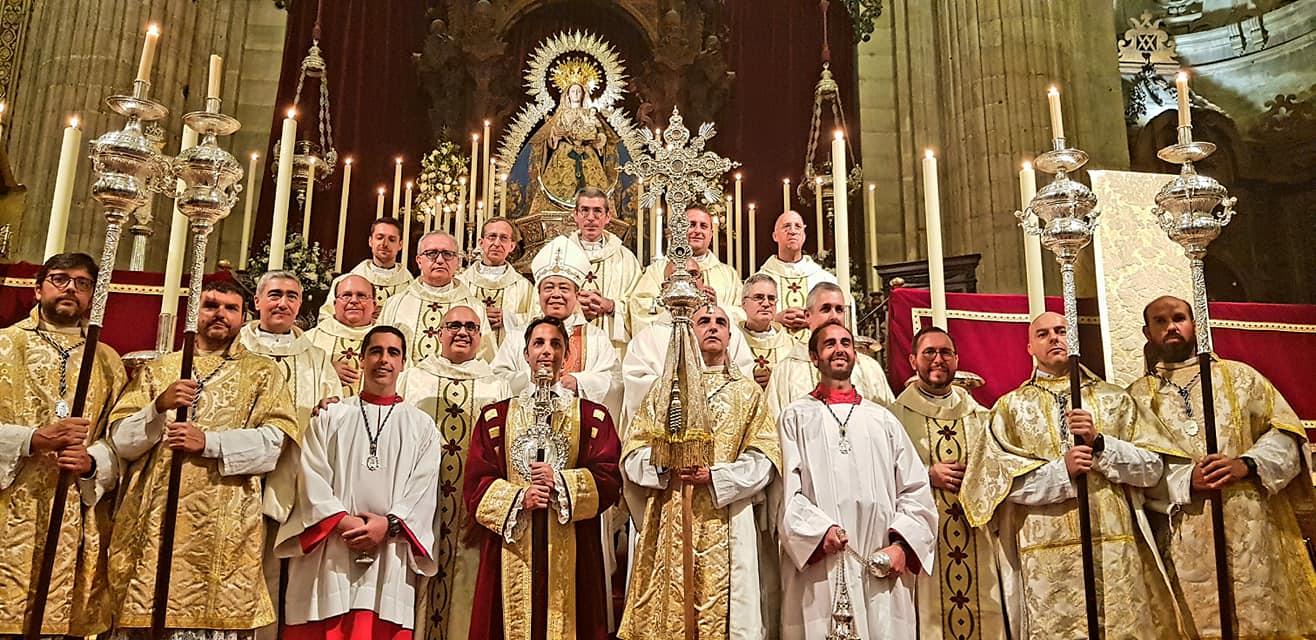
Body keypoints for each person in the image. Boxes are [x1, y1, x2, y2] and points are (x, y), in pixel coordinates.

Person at [958, 311, 1184, 639]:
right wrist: (1059, 473)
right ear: (1030, 347)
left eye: (1062, 331)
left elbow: (1152, 470)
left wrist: (1101, 445)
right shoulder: (1010, 408)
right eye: (1043, 334)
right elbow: (992, 485)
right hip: (1044, 555)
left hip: (1113, 546)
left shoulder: (1115, 398)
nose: (1054, 338)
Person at [105, 279, 300, 639]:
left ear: (244, 317)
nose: (220, 315)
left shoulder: (261, 372)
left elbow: (276, 443)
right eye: (211, 305)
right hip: (156, 520)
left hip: (224, 526)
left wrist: (208, 442)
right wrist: (157, 407)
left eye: (231, 308)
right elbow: (120, 442)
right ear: (194, 312)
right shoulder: (159, 370)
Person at [1129, 295, 1316, 638]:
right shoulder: (1135, 399)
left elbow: (1287, 435)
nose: (1172, 326)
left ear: (1194, 325)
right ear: (1147, 331)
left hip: (1251, 525)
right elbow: (1133, 469)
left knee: (1260, 619)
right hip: (1183, 529)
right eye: (1160, 321)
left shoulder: (1240, 378)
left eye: (1179, 318)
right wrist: (1185, 480)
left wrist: (1247, 464)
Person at [619, 305, 780, 639]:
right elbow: (633, 452)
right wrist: (664, 461)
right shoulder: (665, 391)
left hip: (728, 515)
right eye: (703, 321)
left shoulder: (747, 393)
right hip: (671, 512)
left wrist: (717, 476)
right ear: (689, 333)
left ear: (730, 336)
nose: (712, 327)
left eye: (720, 322)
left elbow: (764, 457)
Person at [276, 326, 441, 640]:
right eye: (376, 351)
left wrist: (388, 525)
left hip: (389, 556)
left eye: (393, 353)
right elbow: (311, 477)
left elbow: (422, 489)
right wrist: (342, 522)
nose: (384, 360)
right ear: (362, 359)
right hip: (328, 557)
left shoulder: (421, 426)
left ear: (404, 363)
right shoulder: (331, 416)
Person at [464, 317, 623, 640]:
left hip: (574, 548)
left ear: (567, 356)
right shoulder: (498, 417)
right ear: (525, 354)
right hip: (511, 545)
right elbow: (476, 482)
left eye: (556, 344)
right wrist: (518, 498)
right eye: (538, 343)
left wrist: (561, 483)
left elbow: (608, 478)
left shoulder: (591, 416)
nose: (547, 352)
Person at [778, 321, 937, 640]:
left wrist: (902, 547)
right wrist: (818, 532)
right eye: (830, 344)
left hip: (879, 562)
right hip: (822, 562)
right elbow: (787, 493)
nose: (840, 349)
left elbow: (916, 492)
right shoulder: (795, 416)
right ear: (814, 357)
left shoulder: (884, 420)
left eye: (846, 343)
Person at [0, 253, 126, 637]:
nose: (71, 287)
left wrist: (92, 462)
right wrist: (31, 439)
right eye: (60, 278)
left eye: (83, 283)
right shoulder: (4, 345)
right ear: (38, 288)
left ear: (93, 296)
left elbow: (119, 439)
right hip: (10, 503)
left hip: (73, 506)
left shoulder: (106, 360)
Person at [397, 305, 511, 640]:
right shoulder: (414, 378)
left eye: (471, 327)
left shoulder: (497, 386)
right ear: (438, 333)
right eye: (454, 325)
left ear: (480, 336)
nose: (462, 332)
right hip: (420, 507)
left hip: (472, 511)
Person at [891, 327, 1006, 639]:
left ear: (957, 359)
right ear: (913, 360)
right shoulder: (893, 418)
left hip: (977, 538)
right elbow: (880, 478)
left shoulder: (982, 417)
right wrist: (928, 473)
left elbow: (1003, 472)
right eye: (929, 352)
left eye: (945, 352)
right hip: (924, 542)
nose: (938, 359)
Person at [491, 235, 621, 417]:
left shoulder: (595, 337)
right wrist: (533, 380)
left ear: (577, 294)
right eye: (549, 287)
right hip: (525, 426)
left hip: (578, 427)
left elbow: (615, 381)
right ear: (539, 293)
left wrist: (578, 382)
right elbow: (497, 378)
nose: (556, 294)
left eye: (564, 288)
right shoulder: (517, 336)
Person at [620, 258, 755, 424]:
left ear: (702, 282)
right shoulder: (646, 340)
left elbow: (745, 383)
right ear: (665, 288)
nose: (687, 283)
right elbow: (637, 389)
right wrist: (683, 392)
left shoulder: (727, 332)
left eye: (693, 275)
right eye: (678, 277)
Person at [765, 282, 895, 417]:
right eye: (826, 309)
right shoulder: (786, 371)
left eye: (839, 310)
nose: (834, 316)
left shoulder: (869, 368)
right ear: (807, 316)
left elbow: (888, 420)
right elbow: (773, 427)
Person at [546, 186, 641, 352]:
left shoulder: (626, 259)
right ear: (575, 215)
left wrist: (611, 306)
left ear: (607, 217)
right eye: (584, 210)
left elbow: (640, 307)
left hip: (612, 348)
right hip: (565, 345)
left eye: (597, 211)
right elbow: (538, 305)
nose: (591, 218)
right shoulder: (557, 255)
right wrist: (572, 307)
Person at [239, 270, 339, 428]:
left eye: (291, 297)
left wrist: (330, 408)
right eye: (275, 295)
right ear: (257, 301)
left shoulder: (317, 359)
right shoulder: (236, 348)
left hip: (300, 449)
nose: (283, 304)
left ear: (299, 305)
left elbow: (334, 406)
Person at [378, 231, 491, 365]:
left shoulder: (474, 308)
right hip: (403, 385)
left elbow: (485, 361)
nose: (440, 260)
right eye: (431, 254)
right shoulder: (395, 304)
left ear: (457, 261)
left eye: (447, 254)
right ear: (419, 261)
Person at [627, 205, 742, 335]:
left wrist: (717, 307)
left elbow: (743, 314)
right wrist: (677, 305)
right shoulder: (657, 270)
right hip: (670, 344)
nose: (697, 230)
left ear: (711, 234)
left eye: (703, 226)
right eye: (691, 225)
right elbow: (640, 308)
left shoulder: (728, 275)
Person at [754, 210, 842, 340]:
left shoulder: (825, 280)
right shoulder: (759, 282)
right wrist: (774, 319)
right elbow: (747, 320)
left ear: (804, 235)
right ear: (775, 236)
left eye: (798, 226)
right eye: (786, 226)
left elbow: (840, 320)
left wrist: (811, 320)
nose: (792, 231)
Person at [457, 217, 533, 353]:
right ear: (481, 242)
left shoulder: (524, 287)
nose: (497, 243)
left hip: (508, 364)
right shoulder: (460, 284)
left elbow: (536, 321)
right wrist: (478, 316)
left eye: (504, 238)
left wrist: (508, 318)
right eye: (492, 237)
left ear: (512, 246)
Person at [304, 274, 377, 396]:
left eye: (362, 296)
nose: (354, 301)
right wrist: (324, 371)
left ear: (374, 305)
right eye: (346, 295)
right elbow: (294, 378)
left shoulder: (388, 341)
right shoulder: (310, 340)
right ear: (334, 304)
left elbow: (403, 381)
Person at [328, 217, 413, 312]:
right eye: (380, 238)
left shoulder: (410, 287)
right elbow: (328, 317)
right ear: (370, 241)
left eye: (392, 239)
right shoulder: (345, 282)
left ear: (400, 245)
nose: (384, 244)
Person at [738, 274, 799, 389]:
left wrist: (776, 379)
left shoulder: (792, 345)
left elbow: (801, 384)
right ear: (744, 303)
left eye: (771, 298)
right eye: (758, 297)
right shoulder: (733, 342)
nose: (766, 304)